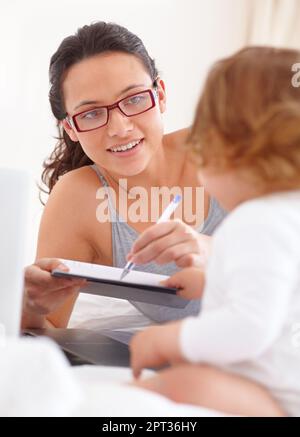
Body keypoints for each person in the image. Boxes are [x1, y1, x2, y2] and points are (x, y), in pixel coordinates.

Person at [129, 46, 300, 417]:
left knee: (183, 382)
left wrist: (168, 341)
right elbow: (281, 291)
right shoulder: (289, 214)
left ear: (226, 147)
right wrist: (212, 283)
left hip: (276, 393)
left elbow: (250, 327)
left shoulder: (255, 221)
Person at [22, 22, 226, 330]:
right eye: (91, 113)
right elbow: (47, 330)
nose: (119, 128)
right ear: (71, 129)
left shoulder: (225, 146)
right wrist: (29, 306)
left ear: (160, 95)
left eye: (134, 99)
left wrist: (222, 253)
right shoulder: (78, 199)